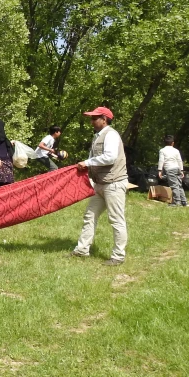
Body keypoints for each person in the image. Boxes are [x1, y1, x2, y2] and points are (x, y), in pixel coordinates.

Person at [71, 106, 128, 266]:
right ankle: (82, 250)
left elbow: (110, 157)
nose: (92, 121)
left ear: (104, 119)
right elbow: (94, 159)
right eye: (91, 118)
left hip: (114, 184)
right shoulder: (97, 136)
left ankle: (118, 256)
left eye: (94, 118)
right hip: (100, 184)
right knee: (90, 216)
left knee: (116, 220)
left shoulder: (111, 135)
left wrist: (87, 162)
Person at [157, 135, 188, 207]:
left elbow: (161, 161)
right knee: (179, 185)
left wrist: (160, 170)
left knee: (174, 186)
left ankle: (177, 202)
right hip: (177, 168)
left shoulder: (162, 150)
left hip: (170, 169)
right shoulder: (176, 150)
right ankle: (184, 202)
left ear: (164, 143)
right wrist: (181, 170)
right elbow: (179, 160)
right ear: (173, 143)